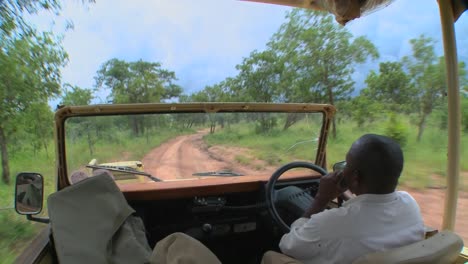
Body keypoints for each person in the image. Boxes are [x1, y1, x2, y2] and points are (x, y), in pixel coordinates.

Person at [277, 134, 425, 264]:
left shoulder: (331, 224)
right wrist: (348, 193)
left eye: (347, 164)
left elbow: (289, 245)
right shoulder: (410, 203)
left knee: (271, 256)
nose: (343, 168)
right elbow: (371, 208)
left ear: (355, 177)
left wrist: (321, 199)